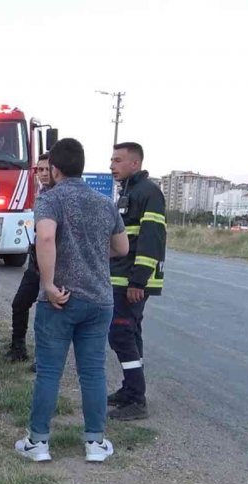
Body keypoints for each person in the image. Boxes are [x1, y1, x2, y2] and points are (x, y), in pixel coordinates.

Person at [14, 138, 129, 463]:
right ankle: (95, 443)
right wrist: (91, 252)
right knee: (92, 372)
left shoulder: (51, 199)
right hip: (99, 300)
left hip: (61, 299)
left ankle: (38, 443)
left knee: (49, 371)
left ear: (55, 169)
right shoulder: (105, 202)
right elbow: (122, 249)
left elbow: (46, 236)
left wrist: (48, 283)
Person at [106, 142, 166, 421]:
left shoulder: (149, 193)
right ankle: (130, 390)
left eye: (117, 160)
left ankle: (137, 399)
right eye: (111, 160)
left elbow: (151, 239)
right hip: (121, 278)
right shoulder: (128, 192)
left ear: (135, 163)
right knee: (129, 334)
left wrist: (138, 282)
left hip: (132, 281)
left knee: (120, 335)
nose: (111, 166)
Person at [5, 153, 54, 363]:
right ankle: (18, 349)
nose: (43, 174)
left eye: (47, 169)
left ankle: (46, 358)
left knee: (49, 313)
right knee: (19, 304)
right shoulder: (40, 195)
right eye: (39, 170)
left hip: (54, 264)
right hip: (35, 262)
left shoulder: (57, 197)